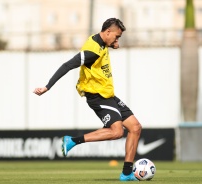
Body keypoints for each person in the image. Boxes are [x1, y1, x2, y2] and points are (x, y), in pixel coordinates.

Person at [33, 18, 142, 181]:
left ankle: (126, 173)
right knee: (117, 131)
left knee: (135, 127)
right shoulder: (92, 51)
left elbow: (105, 44)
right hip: (97, 96)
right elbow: (67, 65)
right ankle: (72, 141)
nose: (117, 40)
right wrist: (47, 87)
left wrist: (112, 44)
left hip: (108, 95)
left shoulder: (102, 41)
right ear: (108, 32)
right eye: (117, 37)